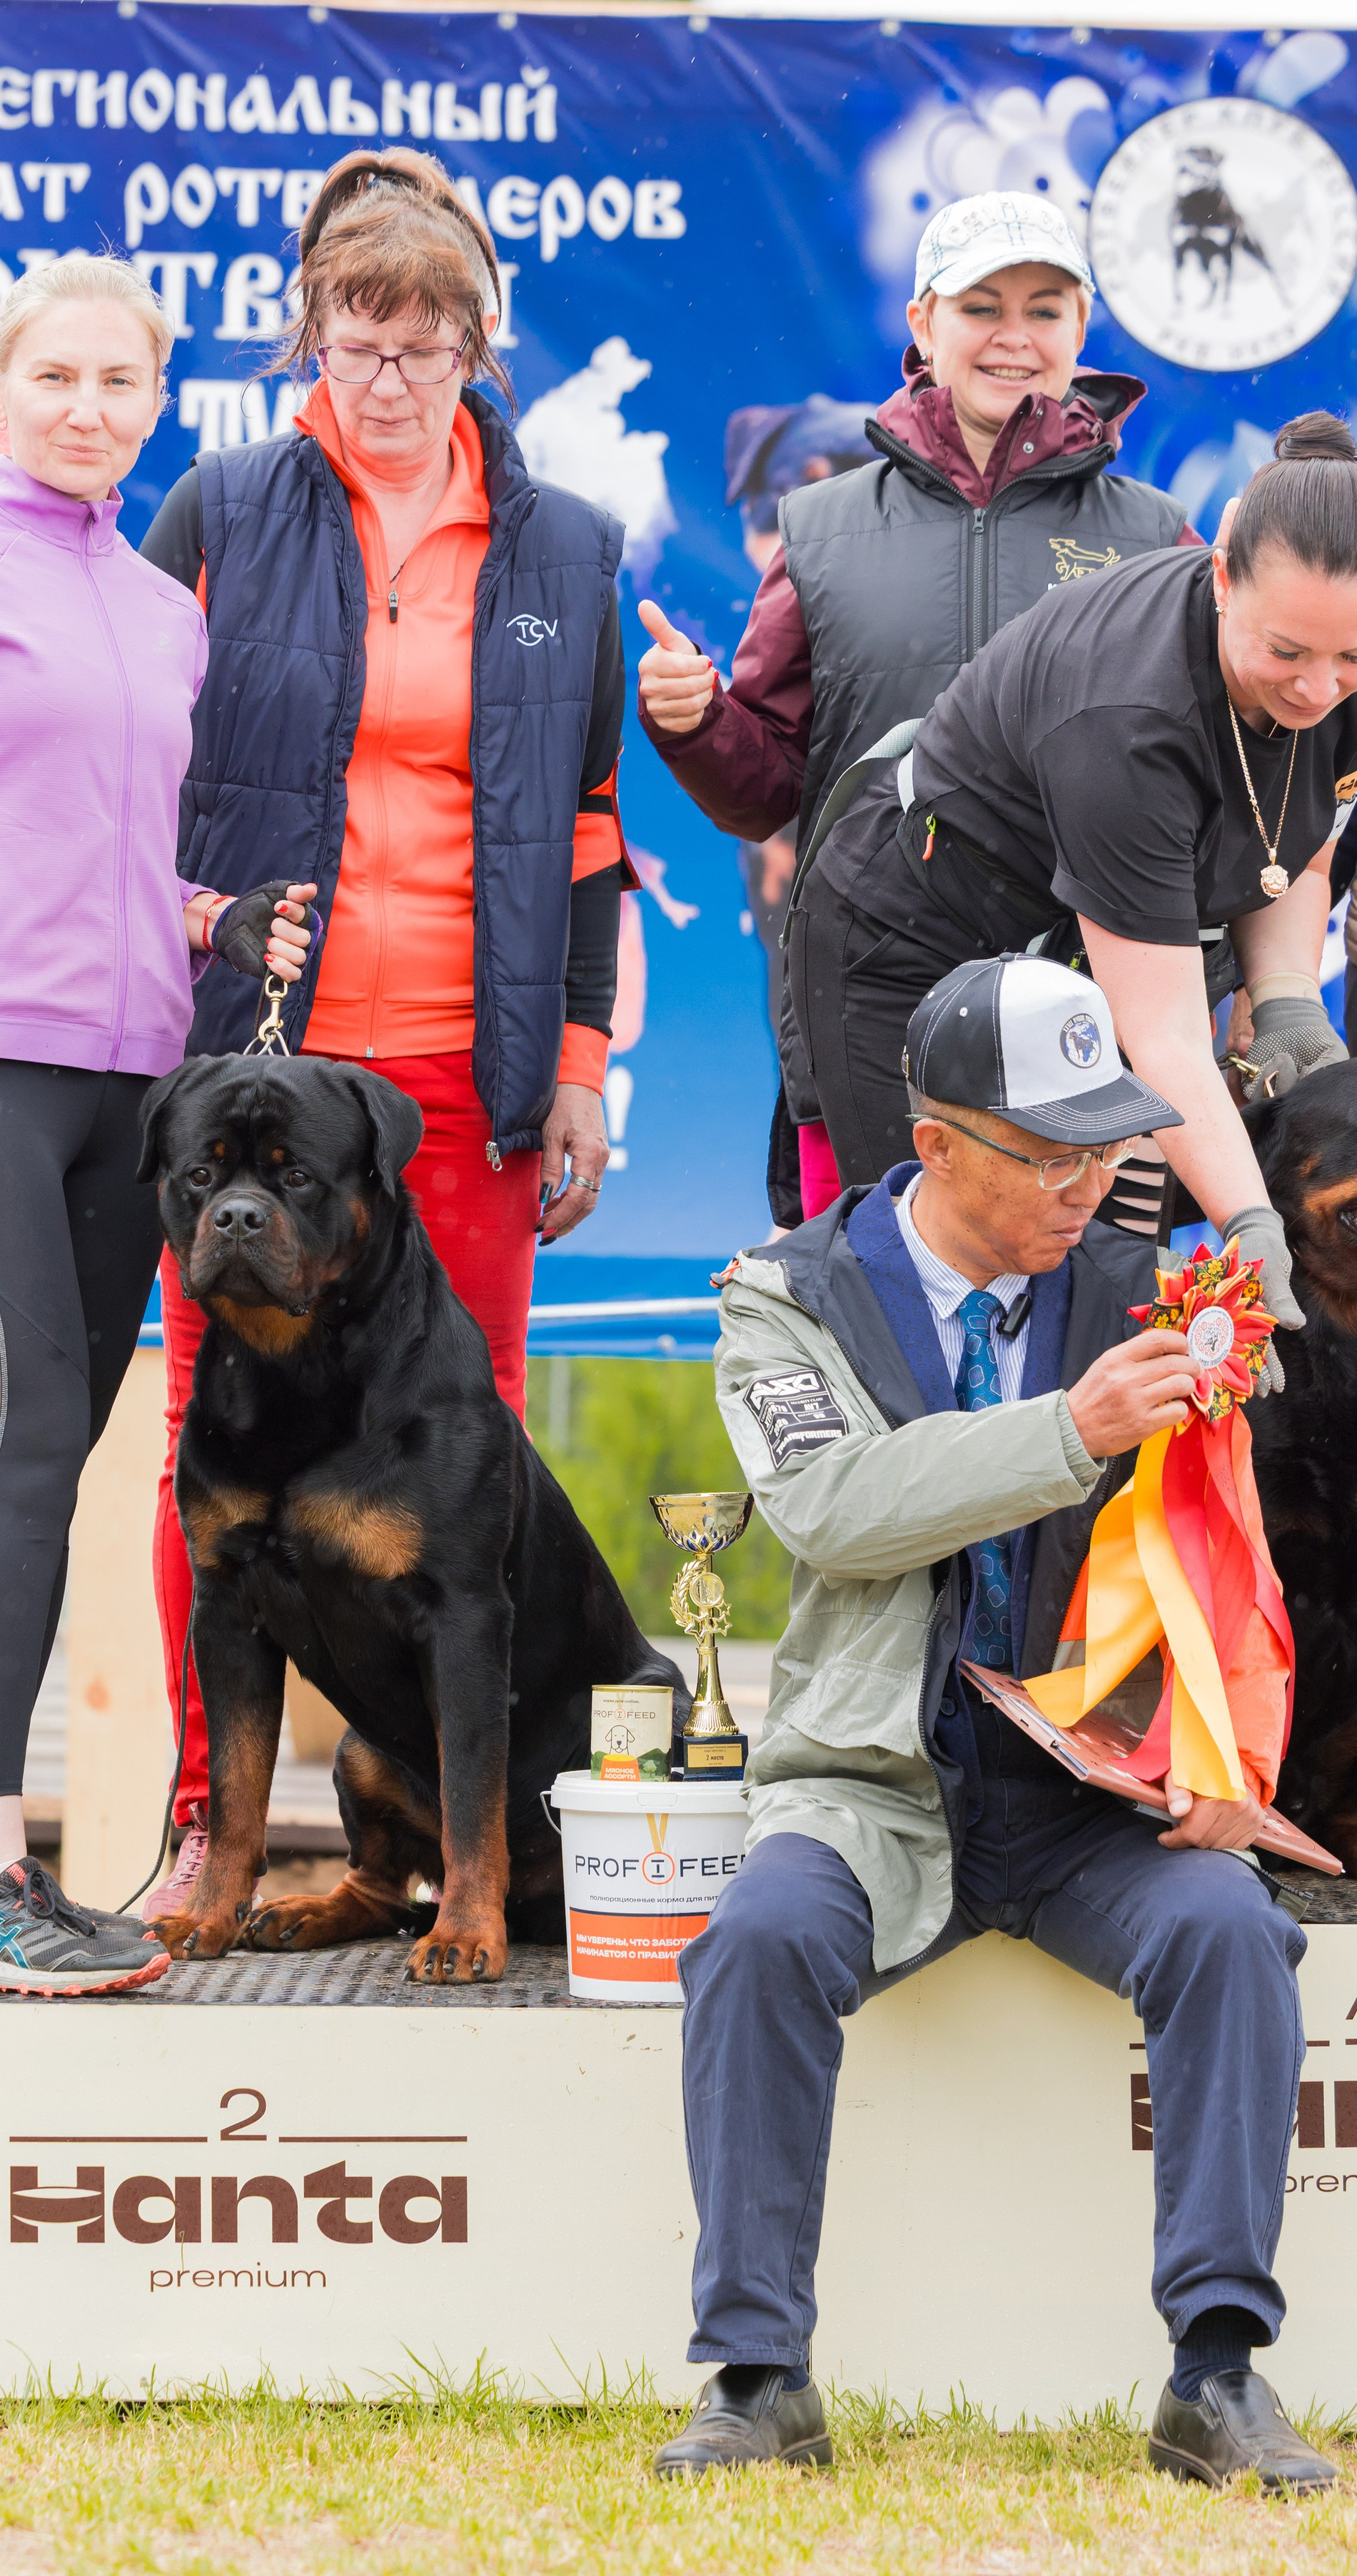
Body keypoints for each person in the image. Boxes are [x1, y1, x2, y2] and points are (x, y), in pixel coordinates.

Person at [656, 954, 1329, 2494]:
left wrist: (1218, 1754)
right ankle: (757, 2376)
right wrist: (1067, 1428)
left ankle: (1217, 2374)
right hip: (871, 1790)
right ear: (936, 1142)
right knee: (755, 1937)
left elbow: (1227, 1548)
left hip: (1091, 1810)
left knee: (1233, 1931)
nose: (1090, 1184)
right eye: (1050, 1154)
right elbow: (833, 1511)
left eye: (1108, 1145)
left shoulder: (1157, 1293)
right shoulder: (785, 1294)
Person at [0, 254, 313, 1997]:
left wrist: (210, 923)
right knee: (17, 1459)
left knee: (50, 1463)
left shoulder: (162, 611)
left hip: (128, 1090)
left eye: (119, 382)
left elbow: (100, 851)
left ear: (157, 402)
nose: (88, 408)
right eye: (57, 377)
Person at [138, 147, 632, 1912]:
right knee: (210, 1445)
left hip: (458, 1075)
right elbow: (125, 766)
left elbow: (588, 831)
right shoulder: (217, 511)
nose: (391, 378)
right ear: (309, 339)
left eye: (427, 346)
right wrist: (198, 917)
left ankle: (457, 1842)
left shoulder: (567, 545)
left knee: (459, 1459)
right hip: (251, 1064)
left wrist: (574, 1066)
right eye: (358, 341)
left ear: (476, 349)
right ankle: (202, 1831)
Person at [636, 191, 1198, 1227]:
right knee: (880, 1309)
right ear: (923, 325)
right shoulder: (821, 529)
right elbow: (767, 790)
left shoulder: (1157, 539)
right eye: (982, 307)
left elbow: (1213, 783)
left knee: (1080, 1320)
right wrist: (696, 721)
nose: (1014, 337)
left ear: (1081, 329)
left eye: (1044, 309)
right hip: (866, 1014)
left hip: (1090, 1026)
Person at [783, 413, 1357, 1370]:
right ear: (1222, 576)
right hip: (923, 939)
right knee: (940, 1286)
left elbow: (1289, 839)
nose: (1320, 689)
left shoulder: (1330, 663)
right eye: (1288, 653)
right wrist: (1250, 1222)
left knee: (1098, 1291)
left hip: (1100, 959)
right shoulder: (1128, 712)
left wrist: (1289, 996)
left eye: (1351, 661)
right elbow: (1164, 1037)